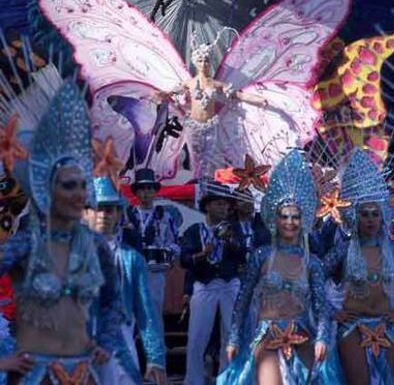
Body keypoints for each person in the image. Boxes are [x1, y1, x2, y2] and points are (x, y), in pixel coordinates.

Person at [0, 80, 123, 384]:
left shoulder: (93, 243)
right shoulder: (26, 242)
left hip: (83, 366)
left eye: (82, 185)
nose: (79, 194)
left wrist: (106, 343)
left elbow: (112, 298)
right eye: (69, 186)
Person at [220, 150, 330, 385]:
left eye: (295, 217)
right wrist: (233, 339)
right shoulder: (261, 255)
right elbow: (243, 299)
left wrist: (321, 338)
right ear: (274, 219)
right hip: (267, 332)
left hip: (302, 332)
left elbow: (321, 307)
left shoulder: (312, 261)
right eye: (284, 216)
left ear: (303, 221)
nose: (290, 222)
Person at [323, 149, 394, 384]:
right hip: (352, 327)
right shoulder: (343, 250)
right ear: (354, 216)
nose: (371, 219)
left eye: (375, 214)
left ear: (383, 216)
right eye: (365, 214)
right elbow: (313, 280)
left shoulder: (393, 251)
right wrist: (334, 313)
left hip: (386, 325)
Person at [84, 175, 167, 385]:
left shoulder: (131, 259)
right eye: (97, 208)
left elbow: (145, 312)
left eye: (110, 209)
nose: (104, 214)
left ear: (119, 213)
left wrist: (155, 358)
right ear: (85, 213)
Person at [158, 37, 267, 178]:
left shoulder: (216, 84)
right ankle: (198, 186)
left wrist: (258, 100)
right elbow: (168, 94)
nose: (204, 64)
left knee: (210, 158)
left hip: (211, 126)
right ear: (195, 63)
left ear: (210, 63)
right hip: (192, 125)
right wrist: (156, 95)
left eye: (206, 61)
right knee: (194, 158)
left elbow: (238, 95)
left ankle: (210, 186)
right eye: (200, 61)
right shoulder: (189, 83)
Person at [180, 180, 245, 385]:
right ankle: (193, 380)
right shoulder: (194, 230)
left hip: (229, 283)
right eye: (219, 203)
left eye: (226, 204)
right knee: (197, 336)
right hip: (204, 284)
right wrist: (202, 254)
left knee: (231, 334)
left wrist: (231, 242)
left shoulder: (234, 228)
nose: (224, 208)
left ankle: (228, 379)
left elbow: (243, 254)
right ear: (207, 205)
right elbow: (184, 260)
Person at [125, 167, 179, 335]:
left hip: (154, 272)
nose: (146, 193)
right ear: (136, 193)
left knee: (153, 312)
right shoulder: (128, 215)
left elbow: (174, 243)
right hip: (132, 271)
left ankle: (155, 356)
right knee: (129, 313)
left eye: (149, 188)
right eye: (142, 189)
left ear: (155, 192)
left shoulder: (164, 216)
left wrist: (166, 253)